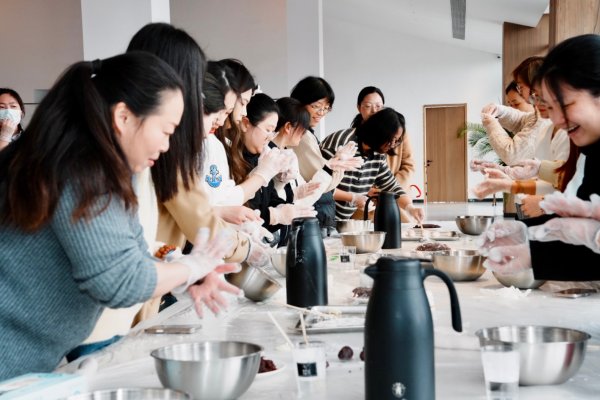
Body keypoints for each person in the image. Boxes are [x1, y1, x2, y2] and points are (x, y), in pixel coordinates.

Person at [0, 52, 240, 380]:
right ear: (124, 117)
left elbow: (134, 252)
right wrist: (192, 267)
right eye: (166, 131)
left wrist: (187, 276)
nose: (167, 146)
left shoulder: (104, 169)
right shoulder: (81, 170)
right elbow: (121, 281)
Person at [126, 23, 267, 323]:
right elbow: (199, 220)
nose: (223, 119)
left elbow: (139, 241)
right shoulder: (163, 150)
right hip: (121, 313)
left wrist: (182, 266)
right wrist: (244, 248)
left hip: (143, 296)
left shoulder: (160, 145)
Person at [479, 34, 600, 281]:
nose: (556, 120)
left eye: (564, 105)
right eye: (549, 106)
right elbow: (585, 244)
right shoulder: (593, 151)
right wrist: (527, 237)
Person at [237, 93, 316, 244]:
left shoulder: (261, 156)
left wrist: (286, 207)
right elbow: (243, 210)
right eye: (267, 130)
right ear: (246, 123)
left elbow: (270, 197)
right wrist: (275, 215)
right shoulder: (236, 159)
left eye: (273, 131)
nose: (269, 137)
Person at [320, 107, 424, 223]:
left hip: (340, 219)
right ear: (379, 132)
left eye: (397, 141)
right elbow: (319, 184)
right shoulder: (341, 143)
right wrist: (353, 198)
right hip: (320, 214)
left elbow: (391, 186)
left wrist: (410, 208)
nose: (393, 145)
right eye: (392, 139)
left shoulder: (377, 153)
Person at [290, 76, 362, 236]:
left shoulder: (307, 133)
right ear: (299, 103)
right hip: (313, 214)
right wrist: (337, 165)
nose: (321, 113)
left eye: (326, 108)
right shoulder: (302, 136)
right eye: (316, 106)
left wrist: (336, 165)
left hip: (319, 213)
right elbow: (322, 184)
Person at [349, 86, 415, 222]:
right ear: (359, 107)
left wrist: (386, 191)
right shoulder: (352, 138)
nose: (374, 111)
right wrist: (365, 190)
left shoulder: (398, 133)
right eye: (368, 106)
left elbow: (408, 165)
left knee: (401, 228)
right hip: (364, 201)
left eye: (378, 106)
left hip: (393, 198)